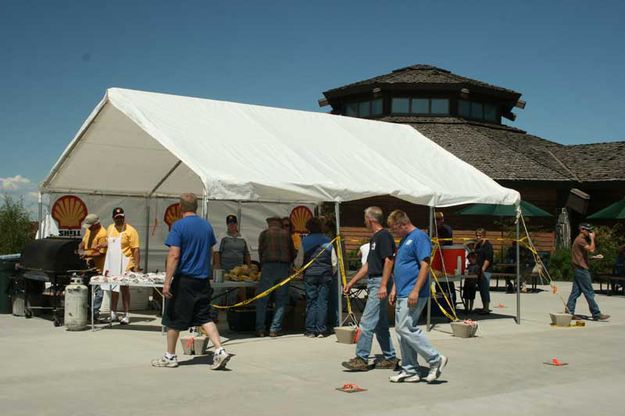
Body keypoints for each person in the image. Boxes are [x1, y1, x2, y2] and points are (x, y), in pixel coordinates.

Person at [152, 193, 232, 369]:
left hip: (184, 280)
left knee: (173, 318)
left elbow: (174, 254)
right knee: (204, 316)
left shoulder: (178, 226)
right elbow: (211, 252)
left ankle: (170, 356)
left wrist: (167, 281)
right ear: (196, 207)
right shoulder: (206, 227)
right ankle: (219, 350)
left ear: (180, 207)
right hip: (202, 279)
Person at [387, 210, 447, 383]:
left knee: (405, 328)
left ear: (402, 224)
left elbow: (425, 265)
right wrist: (394, 289)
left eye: (394, 229)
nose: (394, 232)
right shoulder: (405, 239)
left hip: (413, 293)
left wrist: (415, 290)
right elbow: (401, 266)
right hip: (403, 291)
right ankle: (410, 369)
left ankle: (435, 358)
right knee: (401, 332)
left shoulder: (419, 237)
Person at [342, 206, 398, 371]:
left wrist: (383, 285)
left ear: (371, 219)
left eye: (365, 218)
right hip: (374, 281)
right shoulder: (375, 238)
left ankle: (361, 358)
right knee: (379, 323)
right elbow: (368, 265)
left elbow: (389, 261)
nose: (364, 221)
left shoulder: (384, 236)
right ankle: (390, 358)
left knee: (366, 322)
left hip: (379, 282)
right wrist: (352, 282)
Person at [295, 217, 337, 338]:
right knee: (322, 302)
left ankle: (310, 330)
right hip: (325, 275)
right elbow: (334, 262)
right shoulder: (328, 240)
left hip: (310, 275)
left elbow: (299, 261)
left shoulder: (305, 241)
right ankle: (321, 330)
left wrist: (298, 269)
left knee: (311, 302)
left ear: (308, 228)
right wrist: (330, 273)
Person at [256, 216, 296, 337]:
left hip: (268, 267)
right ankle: (275, 329)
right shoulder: (286, 234)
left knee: (262, 299)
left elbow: (260, 251)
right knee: (281, 299)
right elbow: (292, 252)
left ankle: (260, 329)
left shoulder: (264, 234)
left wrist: (263, 265)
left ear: (269, 223)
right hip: (284, 268)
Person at [566, 224, 609, 321]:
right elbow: (592, 249)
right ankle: (596, 314)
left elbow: (580, 256)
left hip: (578, 269)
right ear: (582, 229)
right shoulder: (580, 240)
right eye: (587, 231)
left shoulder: (579, 240)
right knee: (589, 292)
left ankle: (569, 313)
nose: (589, 233)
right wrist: (592, 238)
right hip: (582, 271)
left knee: (575, 293)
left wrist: (594, 258)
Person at [105, 207, 140, 325]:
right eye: (117, 218)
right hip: (113, 263)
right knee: (113, 288)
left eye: (121, 217)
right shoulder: (110, 228)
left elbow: (135, 249)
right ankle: (113, 313)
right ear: (113, 218)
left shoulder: (131, 231)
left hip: (126, 263)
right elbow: (109, 244)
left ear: (124, 217)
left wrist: (136, 266)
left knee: (125, 289)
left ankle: (126, 314)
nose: (120, 220)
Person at [79, 213, 107, 319]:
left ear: (96, 224)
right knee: (87, 289)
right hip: (88, 266)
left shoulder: (103, 234)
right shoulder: (89, 230)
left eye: (90, 226)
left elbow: (101, 253)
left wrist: (87, 254)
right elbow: (84, 241)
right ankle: (87, 311)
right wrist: (80, 247)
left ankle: (94, 313)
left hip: (99, 267)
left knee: (99, 291)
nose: (88, 228)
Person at [474, 228, 493, 314]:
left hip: (486, 270)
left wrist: (483, 269)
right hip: (478, 269)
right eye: (477, 235)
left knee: (485, 289)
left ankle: (486, 308)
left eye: (480, 235)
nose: (478, 237)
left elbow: (488, 259)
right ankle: (484, 307)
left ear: (484, 236)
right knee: (481, 289)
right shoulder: (478, 245)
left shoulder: (488, 245)